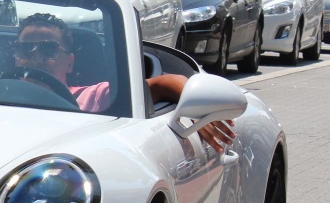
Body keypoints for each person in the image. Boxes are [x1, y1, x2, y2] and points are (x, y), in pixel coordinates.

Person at [14, 13, 236, 152]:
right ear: (16, 57)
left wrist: (197, 108)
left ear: (70, 63)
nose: (35, 57)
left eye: (48, 49)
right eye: (26, 49)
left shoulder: (93, 97)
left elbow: (167, 83)